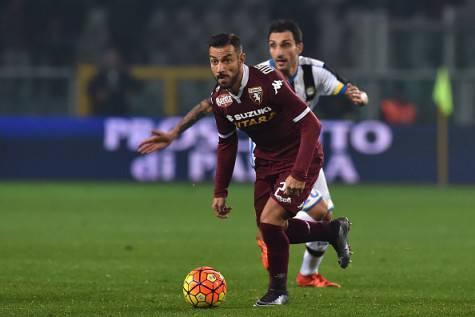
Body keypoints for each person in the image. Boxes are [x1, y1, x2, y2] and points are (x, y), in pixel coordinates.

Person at [138, 19, 367, 289]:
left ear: (299, 48)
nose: (278, 52)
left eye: (285, 45)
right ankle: (286, 247)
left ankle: (307, 272)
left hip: (302, 147)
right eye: (272, 45)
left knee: (321, 213)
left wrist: (356, 94)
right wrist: (176, 131)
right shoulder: (258, 75)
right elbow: (210, 106)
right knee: (303, 214)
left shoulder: (314, 71)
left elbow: (342, 87)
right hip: (270, 153)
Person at [209, 33, 352, 306]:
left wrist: (298, 174)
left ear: (241, 59)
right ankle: (332, 231)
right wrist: (220, 190)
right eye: (214, 62)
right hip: (266, 162)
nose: (220, 68)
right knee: (270, 229)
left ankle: (278, 292)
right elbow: (226, 144)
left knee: (271, 222)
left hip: (299, 157)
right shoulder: (219, 99)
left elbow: (312, 125)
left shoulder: (269, 81)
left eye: (227, 60)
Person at [88, 48, 141, 116]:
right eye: (109, 59)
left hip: (122, 113)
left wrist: (129, 94)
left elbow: (136, 87)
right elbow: (91, 89)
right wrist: (98, 94)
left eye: (114, 59)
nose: (111, 62)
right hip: (102, 113)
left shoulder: (125, 76)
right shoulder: (98, 78)